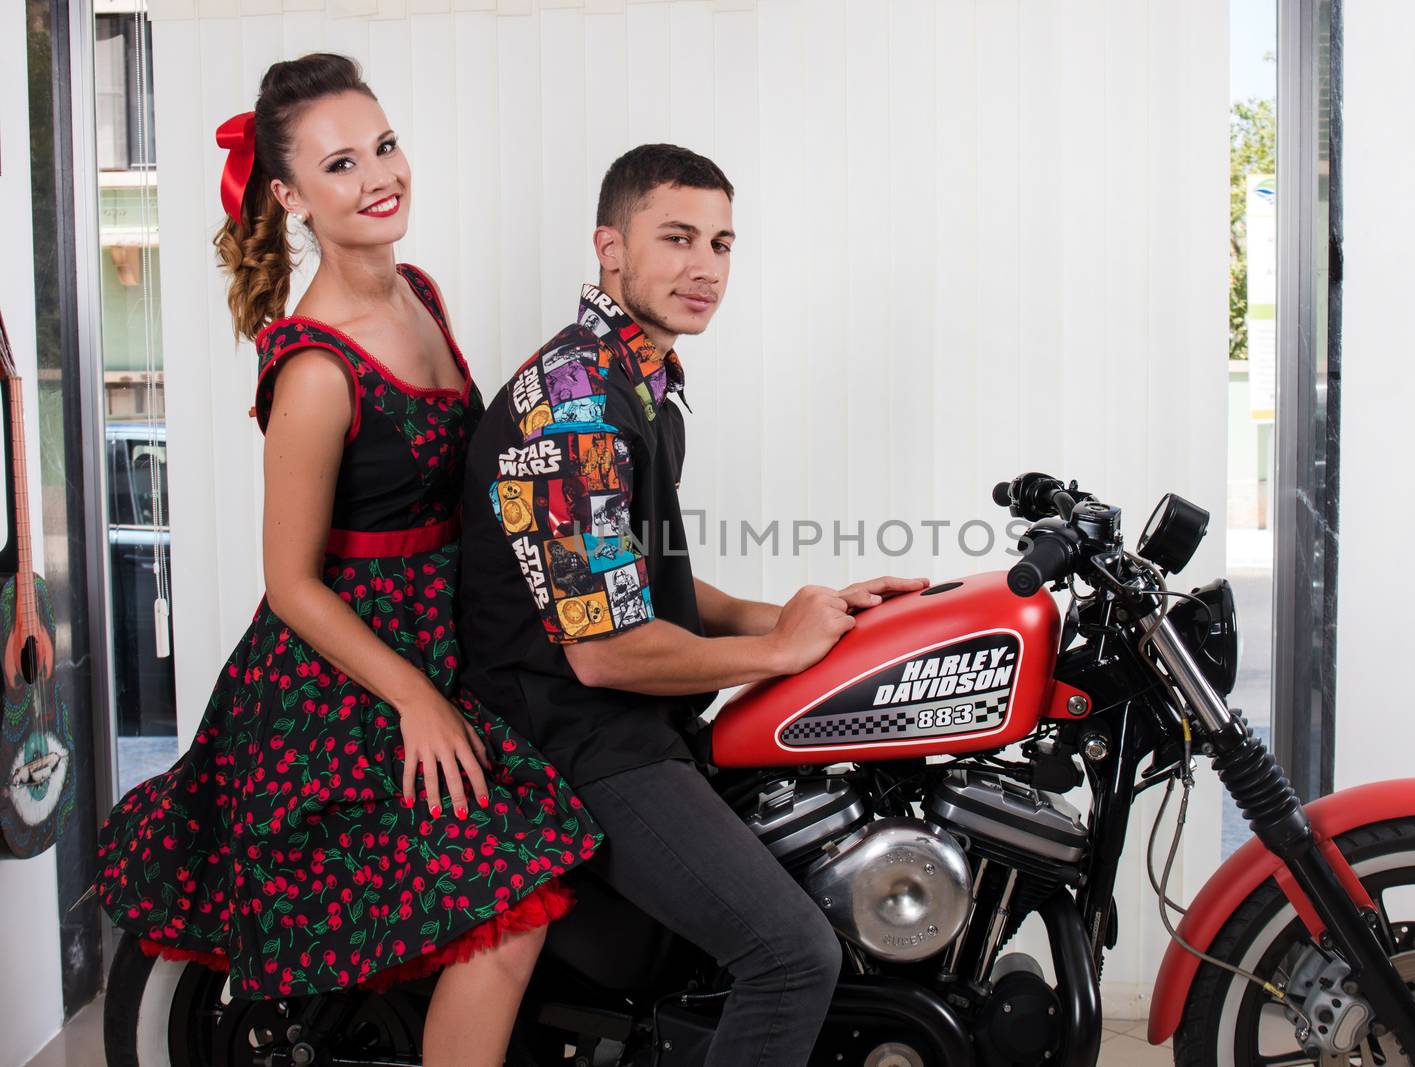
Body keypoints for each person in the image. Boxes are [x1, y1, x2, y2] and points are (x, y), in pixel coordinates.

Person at [94, 53, 599, 1067]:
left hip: (448, 623)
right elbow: (290, 581)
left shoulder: (420, 291)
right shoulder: (317, 365)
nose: (379, 175)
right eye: (340, 164)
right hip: (346, 673)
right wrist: (413, 696)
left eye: (384, 144)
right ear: (288, 195)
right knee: (511, 904)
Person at [457, 142, 928, 1066]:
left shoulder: (642, 380)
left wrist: (802, 611)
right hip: (572, 734)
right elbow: (604, 649)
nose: (705, 266)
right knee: (792, 955)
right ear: (610, 247)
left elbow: (636, 578)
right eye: (676, 238)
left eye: (721, 242)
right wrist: (777, 654)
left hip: (622, 715)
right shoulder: (577, 406)